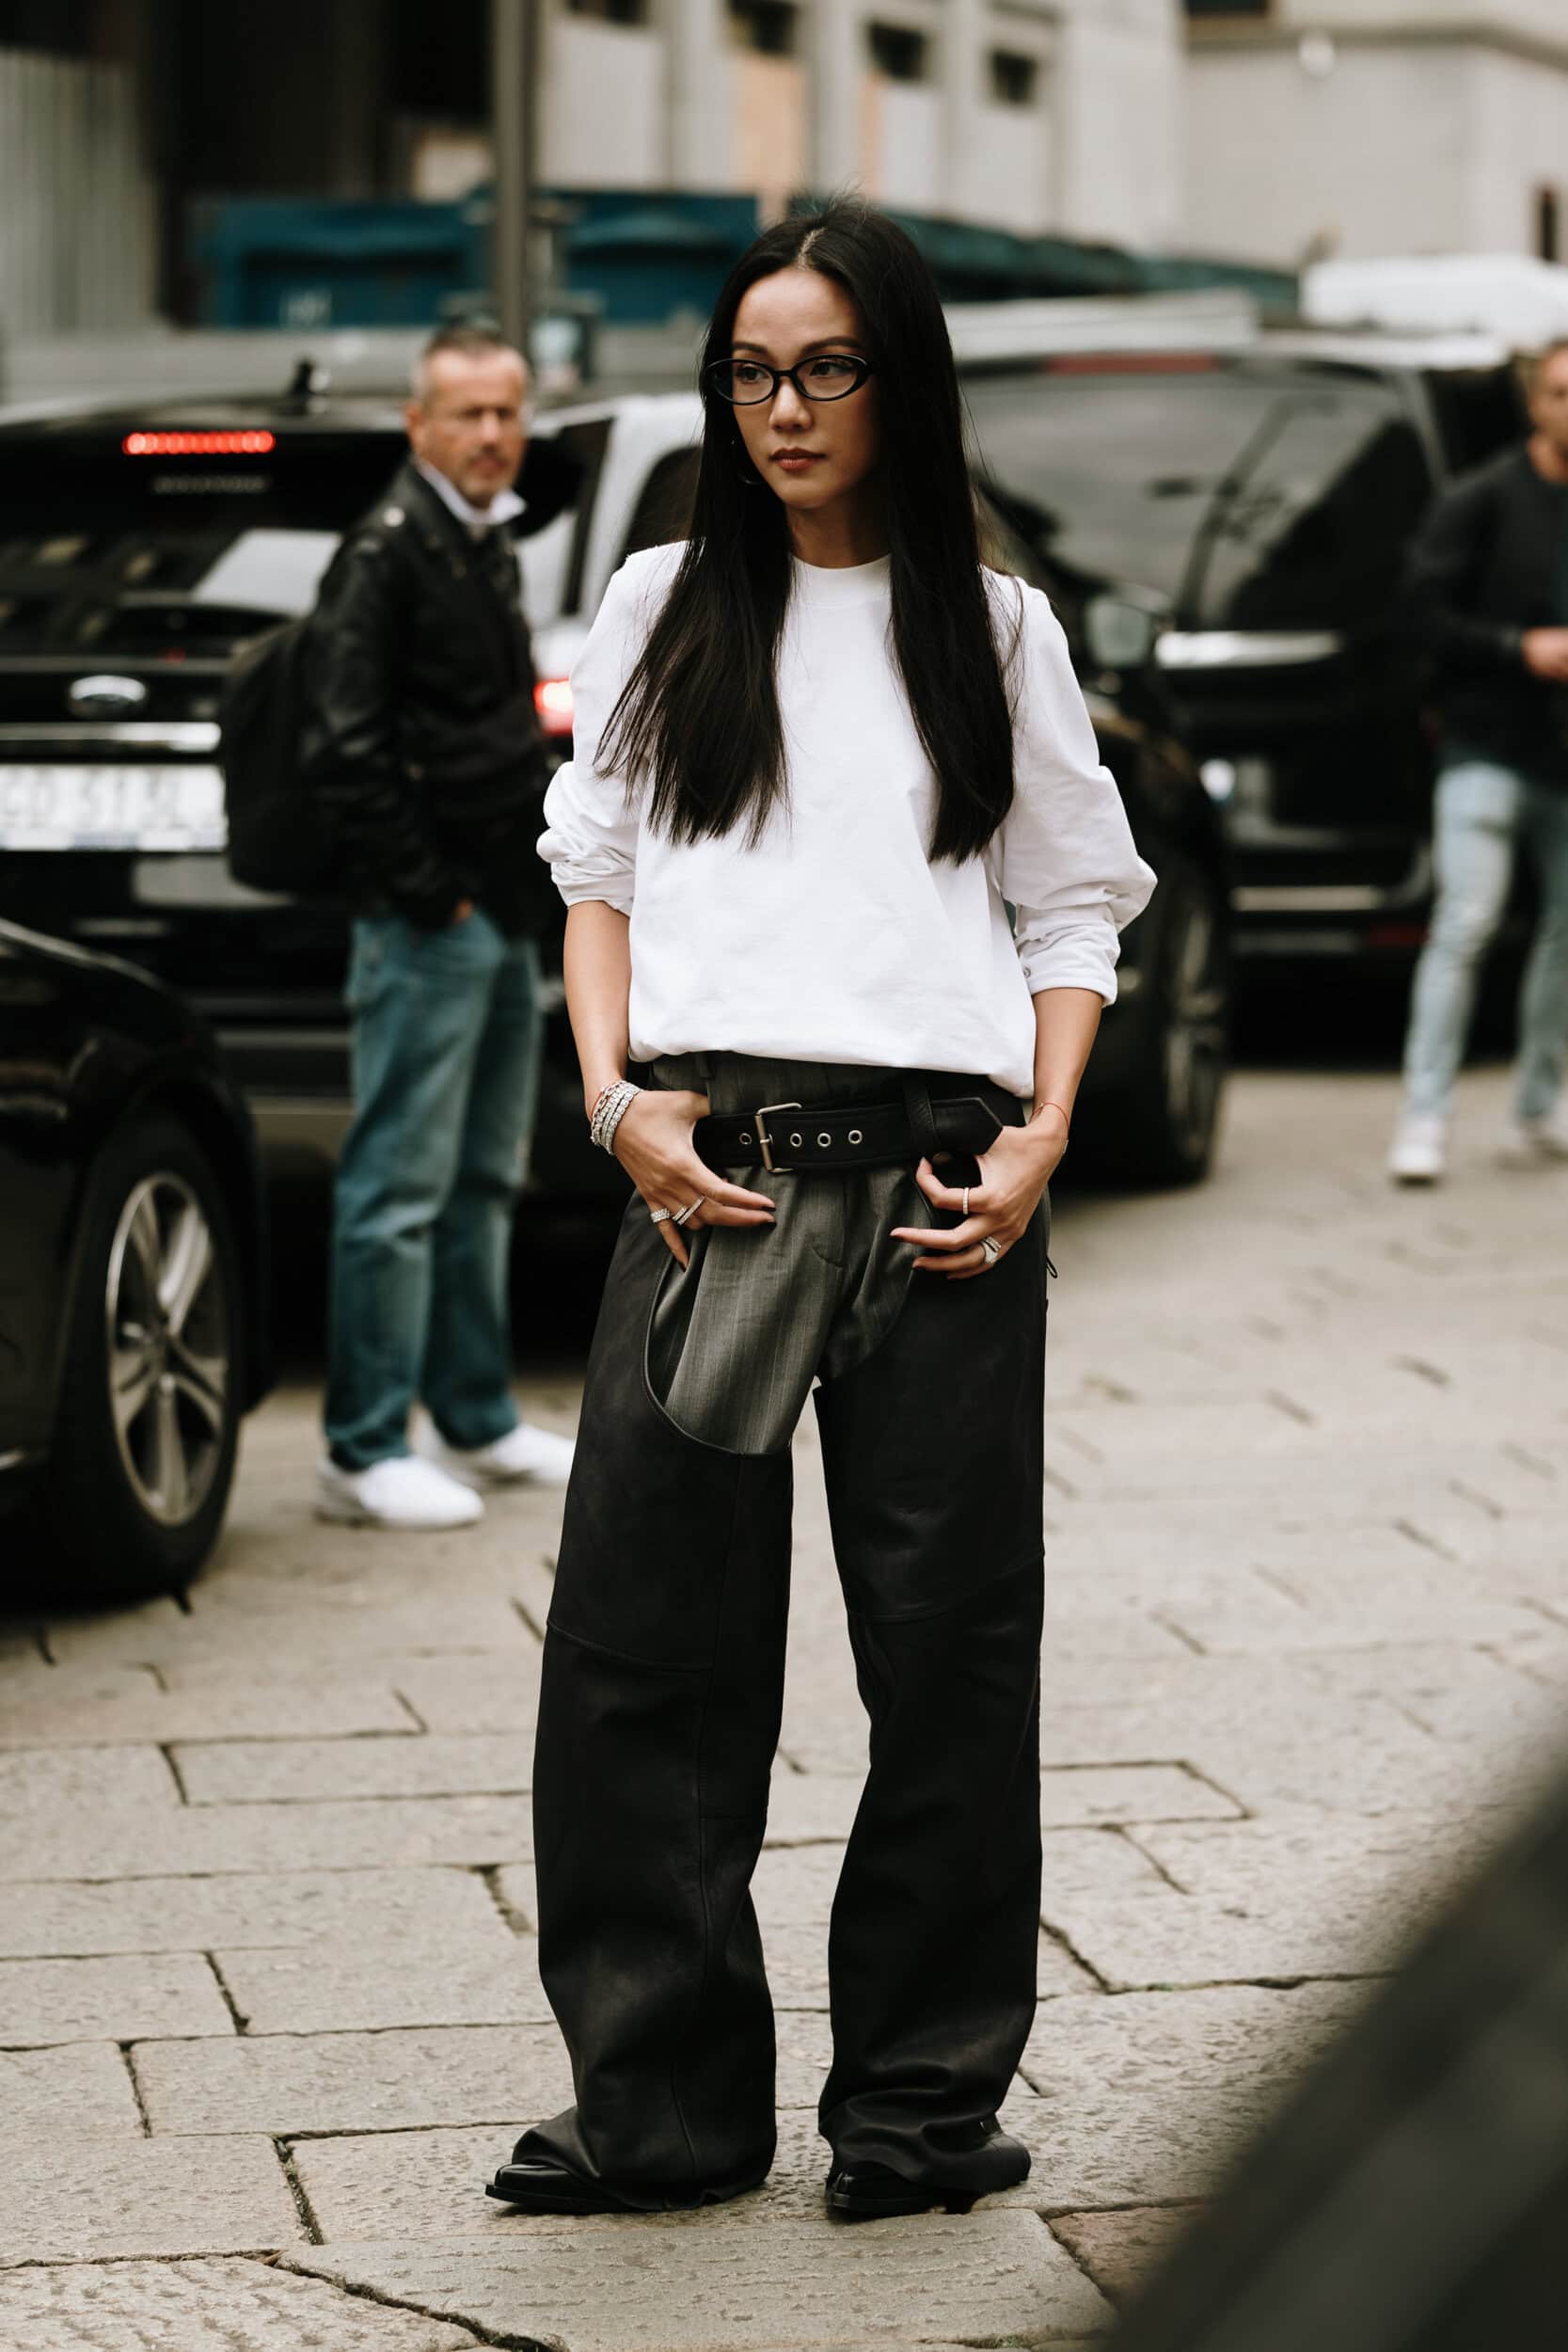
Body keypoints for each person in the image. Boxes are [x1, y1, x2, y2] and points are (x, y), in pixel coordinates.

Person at [483, 202, 1154, 2223]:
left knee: (949, 1653)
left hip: (944, 1182)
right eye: (751, 373)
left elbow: (1070, 903)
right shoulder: (664, 599)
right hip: (713, 1179)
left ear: (898, 382)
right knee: (642, 1655)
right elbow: (593, 872)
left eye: (826, 369)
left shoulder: (994, 627)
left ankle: (916, 2109)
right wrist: (613, 1101)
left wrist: (1043, 1130)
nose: (783, 409)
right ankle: (662, 2110)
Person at [307, 323, 578, 1530]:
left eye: (506, 412)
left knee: (479, 1178)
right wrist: (433, 894)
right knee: (397, 1187)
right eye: (466, 413)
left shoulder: (478, 539)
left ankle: (473, 1416)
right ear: (417, 424)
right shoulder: (386, 550)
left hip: (496, 911)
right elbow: (345, 749)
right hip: (430, 921)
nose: (490, 434)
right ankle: (363, 1447)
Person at [1388, 338, 1568, 1184]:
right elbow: (1417, 616)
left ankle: (1539, 1101)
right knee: (1466, 923)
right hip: (1486, 750)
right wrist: (1516, 648)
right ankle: (1423, 1114)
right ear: (1533, 402)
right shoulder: (1482, 498)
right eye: (1561, 393)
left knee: (1564, 937)